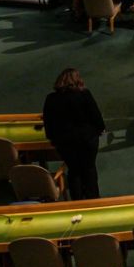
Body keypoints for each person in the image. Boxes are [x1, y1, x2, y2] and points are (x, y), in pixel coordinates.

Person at [42, 68, 105, 200]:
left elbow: (48, 122)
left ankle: (77, 201)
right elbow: (95, 115)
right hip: (87, 139)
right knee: (89, 168)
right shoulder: (84, 94)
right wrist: (100, 129)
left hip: (64, 142)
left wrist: (53, 139)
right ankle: (93, 198)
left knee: (74, 170)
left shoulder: (51, 99)